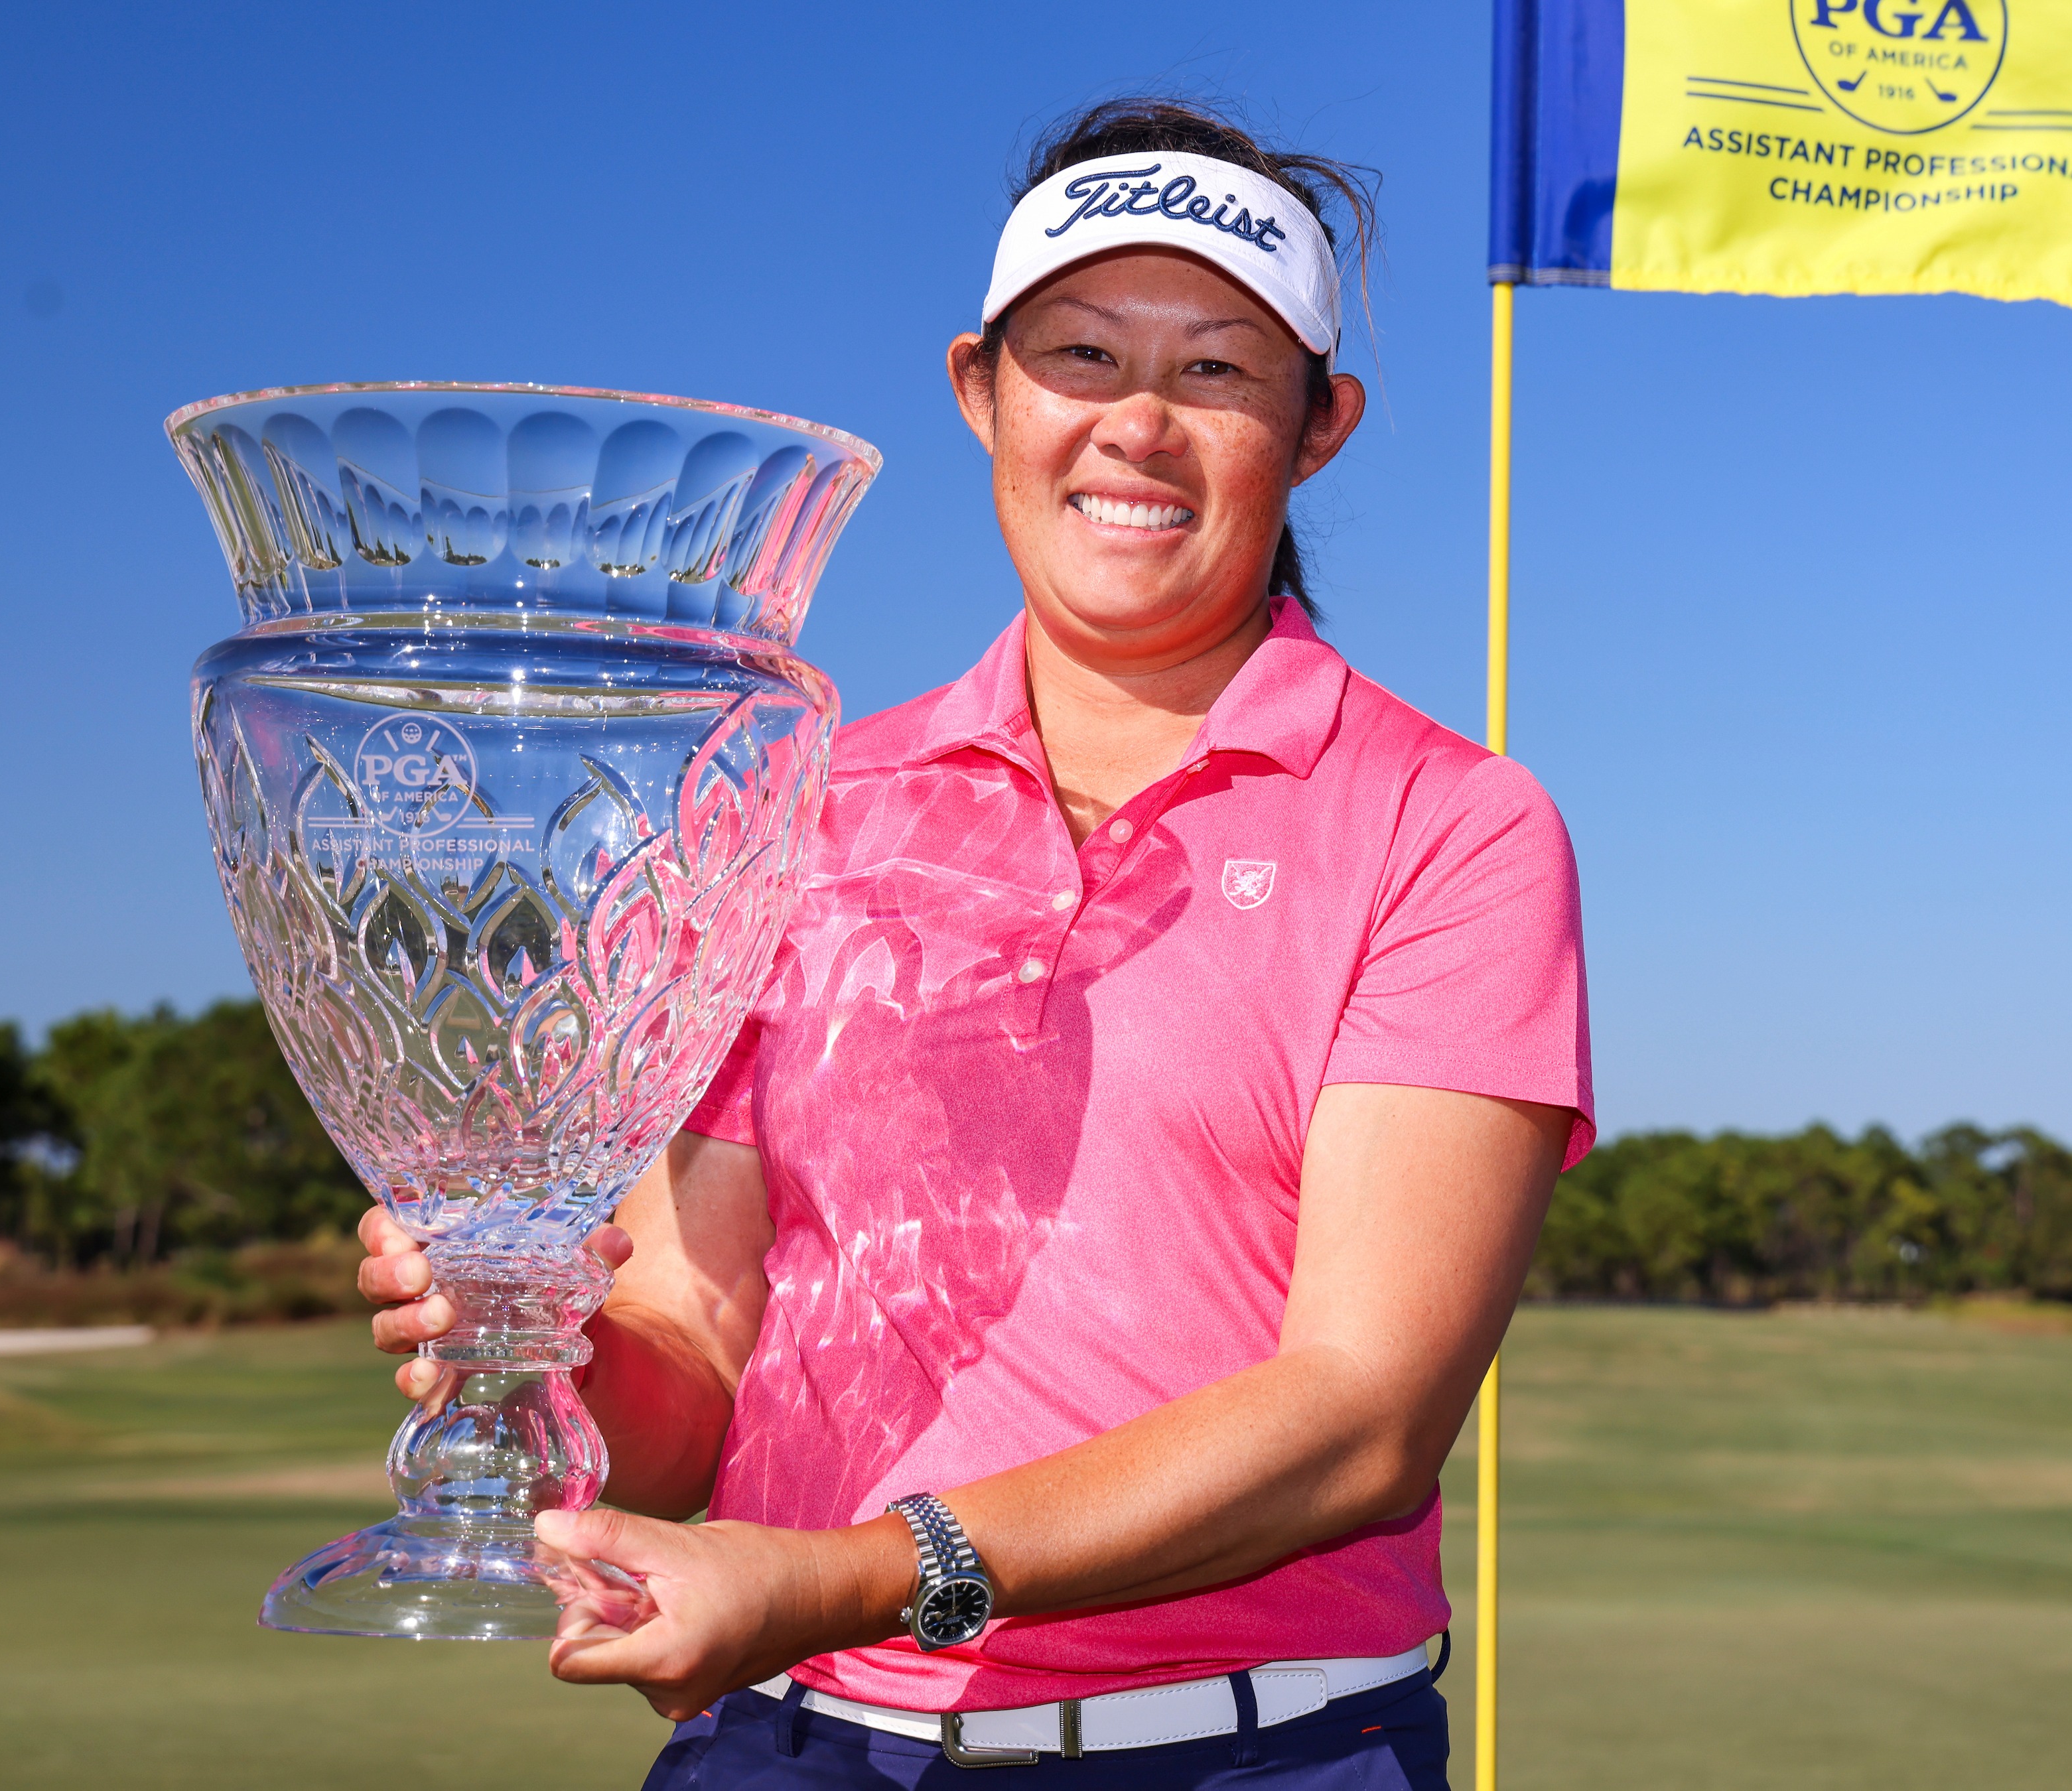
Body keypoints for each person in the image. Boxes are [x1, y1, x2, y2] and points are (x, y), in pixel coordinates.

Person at [358, 98, 1594, 1790]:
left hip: (1250, 1753)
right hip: (788, 1749)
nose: (1138, 425)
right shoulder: (795, 807)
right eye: (1080, 353)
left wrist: (861, 1574)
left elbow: (1363, 1416)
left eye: (1221, 371)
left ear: (1320, 429)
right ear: (982, 392)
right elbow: (693, 1362)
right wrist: (524, 1341)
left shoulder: (1447, 826)